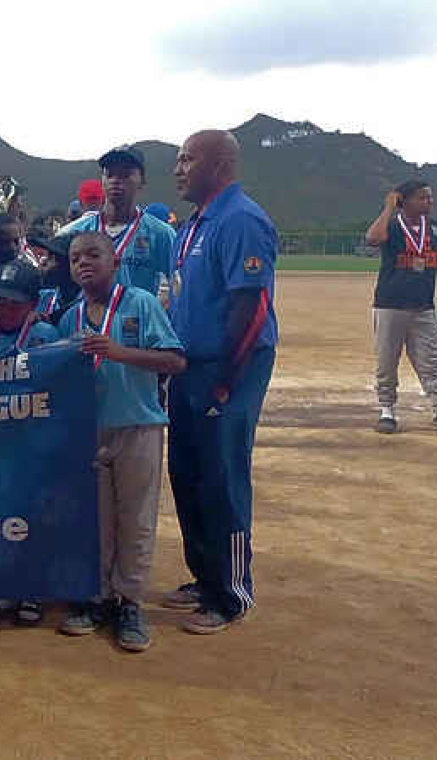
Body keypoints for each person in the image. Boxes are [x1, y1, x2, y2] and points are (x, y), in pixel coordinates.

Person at [163, 130, 279, 634]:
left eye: (188, 159)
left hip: (229, 367)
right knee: (186, 472)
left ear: (220, 164)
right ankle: (205, 578)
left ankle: (231, 594)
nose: (178, 169)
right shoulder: (194, 225)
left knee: (223, 475)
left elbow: (251, 310)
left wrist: (227, 382)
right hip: (189, 367)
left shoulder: (242, 221)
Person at [54, 232, 186, 651]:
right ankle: (97, 599)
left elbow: (175, 360)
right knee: (97, 521)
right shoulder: (70, 318)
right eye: (76, 258)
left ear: (116, 261)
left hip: (137, 427)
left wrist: (119, 351)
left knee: (136, 519)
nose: (84, 263)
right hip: (89, 430)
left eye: (94, 254)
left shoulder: (141, 304)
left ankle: (130, 601)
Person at [0, 259, 60, 630]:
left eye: (14, 303)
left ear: (33, 305)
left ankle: (30, 590)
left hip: (33, 445)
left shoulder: (47, 338)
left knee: (31, 517)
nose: (4, 309)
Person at [363, 181, 437, 435]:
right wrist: (389, 207)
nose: (429, 202)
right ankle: (387, 410)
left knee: (434, 359)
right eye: (423, 198)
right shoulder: (390, 226)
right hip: (390, 305)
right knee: (387, 360)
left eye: (430, 198)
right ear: (406, 200)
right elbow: (373, 238)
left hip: (423, 307)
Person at [57, 146, 175, 299]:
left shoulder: (161, 234)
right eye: (109, 174)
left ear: (142, 181)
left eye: (125, 175)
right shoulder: (73, 232)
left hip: (136, 321)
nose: (115, 181)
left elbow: (180, 285)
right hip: (83, 321)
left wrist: (157, 313)